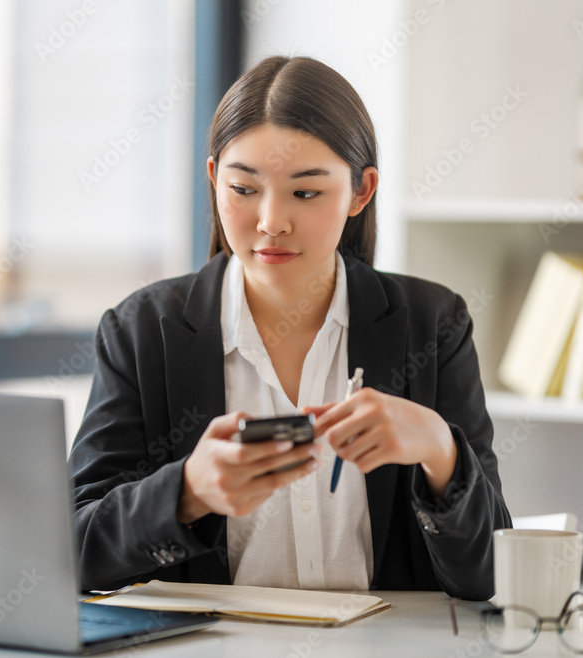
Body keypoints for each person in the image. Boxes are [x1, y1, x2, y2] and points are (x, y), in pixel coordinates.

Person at [69, 55, 511, 601]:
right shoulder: (141, 331)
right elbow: (71, 551)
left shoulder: (432, 325)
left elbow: (490, 573)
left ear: (361, 191)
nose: (270, 221)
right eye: (244, 189)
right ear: (214, 180)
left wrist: (440, 451)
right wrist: (186, 494)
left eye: (305, 192)